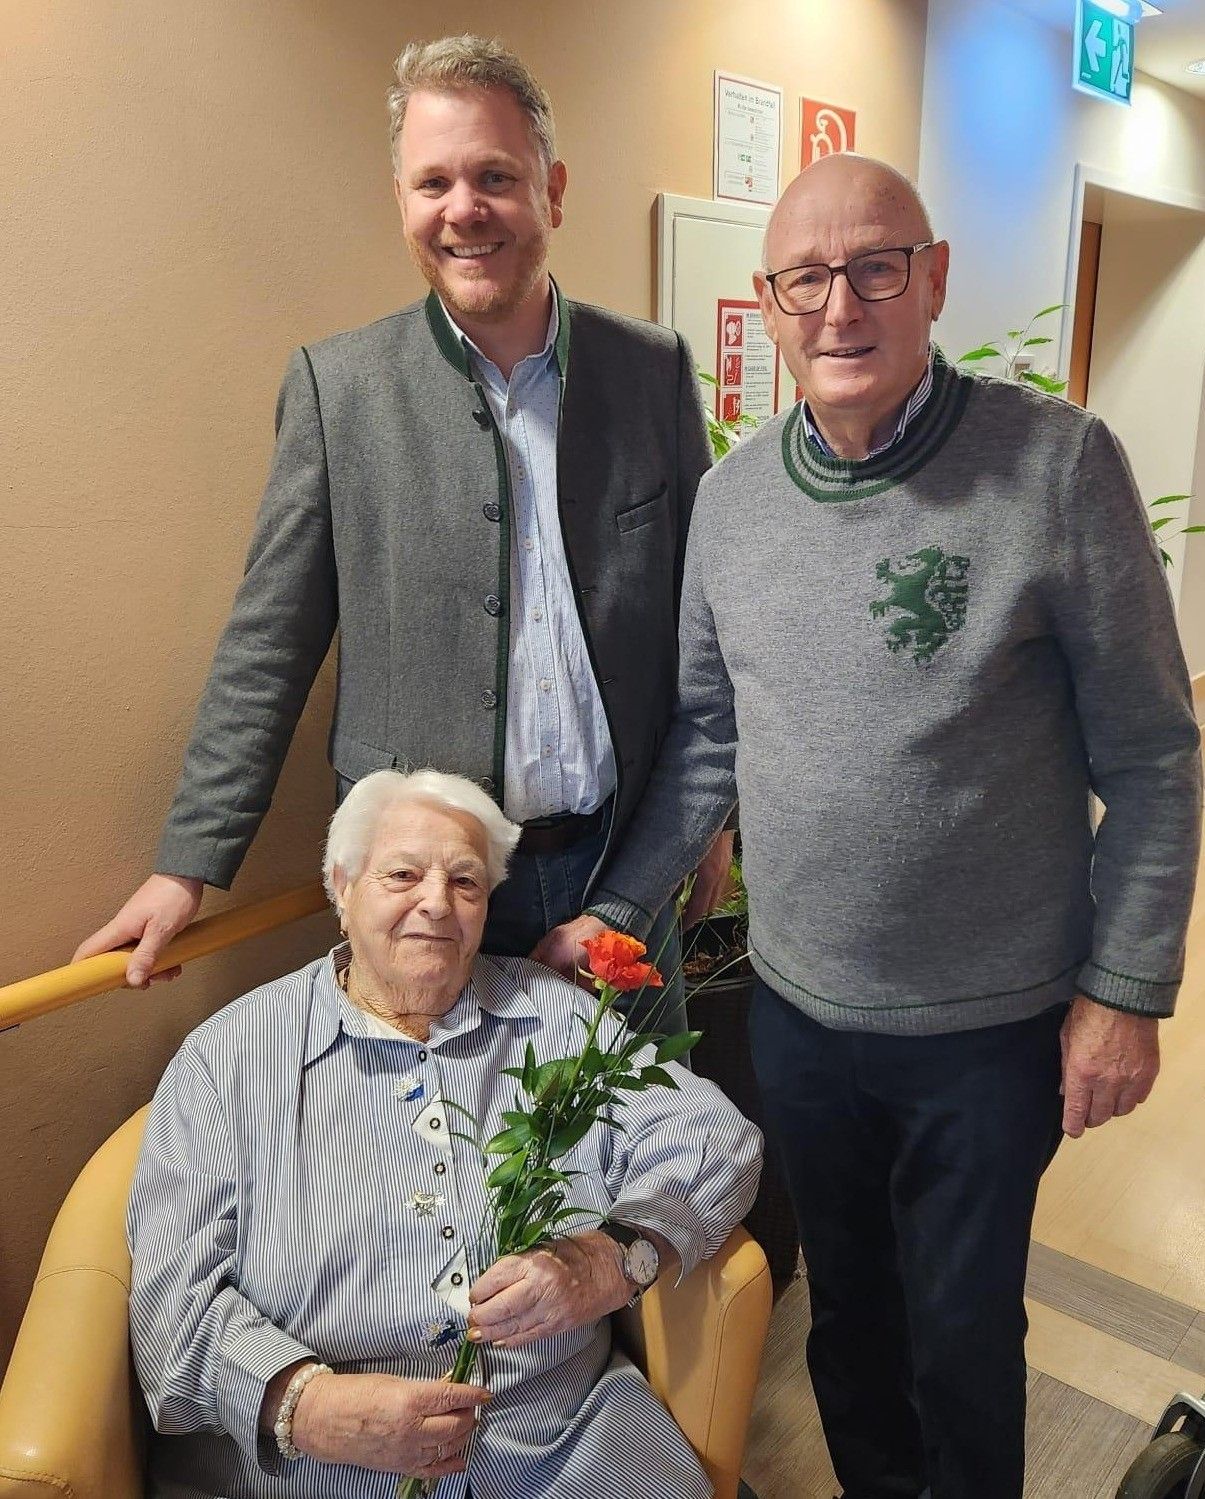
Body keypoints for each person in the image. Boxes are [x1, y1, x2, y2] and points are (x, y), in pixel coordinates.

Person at [535, 153, 1204, 1499]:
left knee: (958, 1334)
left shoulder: (1056, 467)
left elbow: (1151, 750)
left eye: (874, 267)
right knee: (843, 1317)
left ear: (932, 277)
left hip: (987, 1028)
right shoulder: (733, 502)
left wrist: (1120, 989)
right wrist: (618, 906)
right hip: (798, 1015)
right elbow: (710, 739)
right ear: (768, 304)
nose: (840, 305)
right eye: (805, 278)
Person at [74, 35, 730, 1028]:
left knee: (634, 1166)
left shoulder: (650, 373)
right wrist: (185, 868)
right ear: (401, 200)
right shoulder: (339, 392)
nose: (463, 209)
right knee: (435, 1170)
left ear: (551, 189)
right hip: (419, 902)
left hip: (618, 871)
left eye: (495, 177)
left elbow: (702, 641)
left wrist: (697, 834)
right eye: (433, 182)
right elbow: (269, 643)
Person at [127, 768, 762, 1499]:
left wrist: (613, 1256)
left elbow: (714, 1136)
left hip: (563, 1447)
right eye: (403, 873)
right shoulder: (226, 1059)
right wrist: (305, 1405)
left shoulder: (554, 1019)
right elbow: (171, 1308)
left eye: (465, 882)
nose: (436, 902)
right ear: (342, 887)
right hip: (317, 1468)